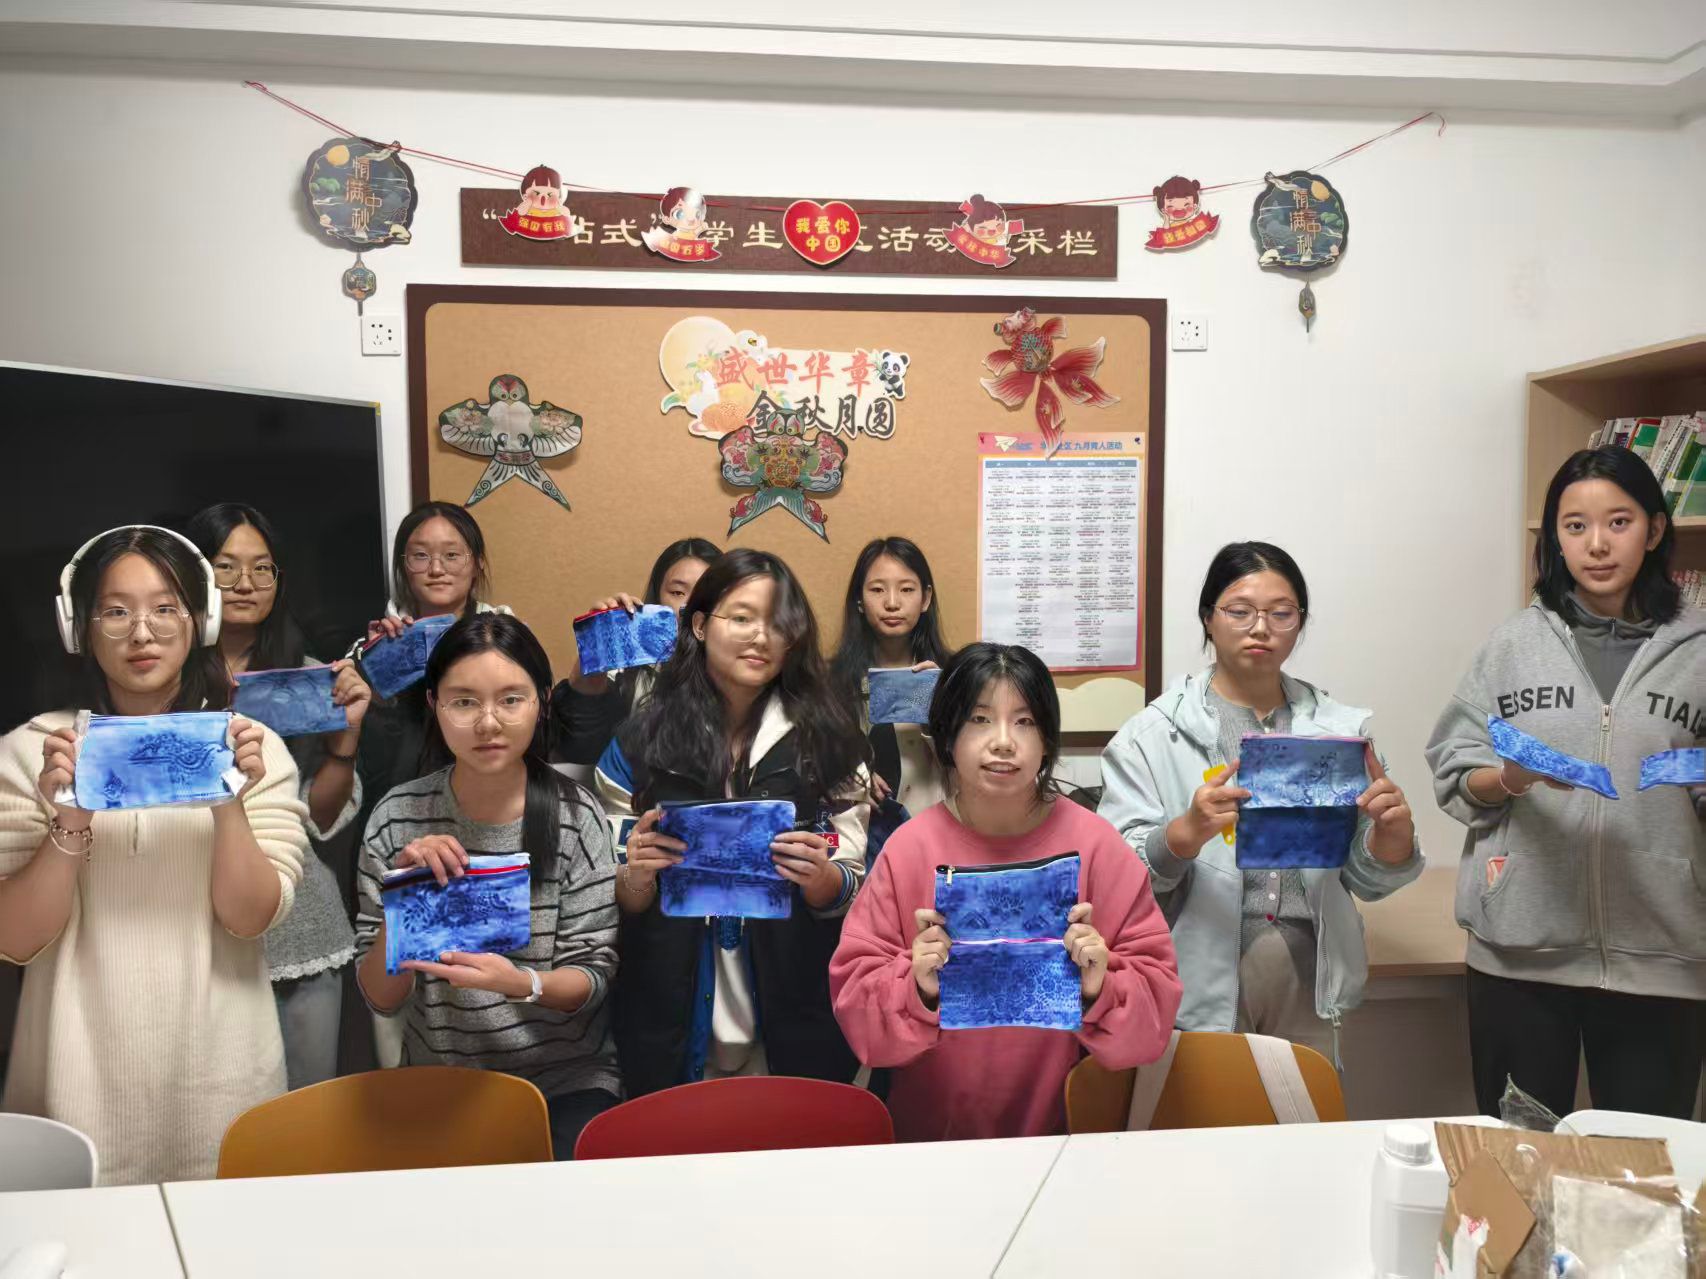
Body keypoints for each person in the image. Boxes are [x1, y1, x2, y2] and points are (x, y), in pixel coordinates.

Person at [0, 526, 306, 1183]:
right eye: (116, 611)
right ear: (78, 627)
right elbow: (15, 939)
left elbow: (250, 917)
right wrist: (70, 815)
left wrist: (226, 797)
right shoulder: (30, 752)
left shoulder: (254, 749)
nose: (142, 632)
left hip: (223, 1080)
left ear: (201, 620)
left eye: (166, 608)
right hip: (71, 1087)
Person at [1426, 447, 1705, 1120]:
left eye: (1618, 522)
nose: (1597, 544)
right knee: (1515, 1158)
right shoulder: (1513, 645)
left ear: (1655, 529)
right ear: (1555, 537)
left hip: (1663, 955)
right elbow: (1453, 765)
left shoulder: (1699, 648)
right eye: (1575, 526)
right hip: (1518, 957)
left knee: (1642, 1166)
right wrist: (1508, 777)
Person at [830, 642, 1181, 1141]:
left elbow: (1153, 1018)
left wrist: (1099, 985)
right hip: (933, 1141)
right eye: (979, 719)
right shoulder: (909, 849)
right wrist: (919, 984)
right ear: (947, 736)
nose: (1003, 742)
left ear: (1047, 740)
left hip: (1071, 1139)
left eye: (1024, 721)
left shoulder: (1097, 846)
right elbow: (857, 1010)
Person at [1098, 542, 1423, 1065]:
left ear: (1300, 623)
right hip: (1196, 973)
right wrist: (1183, 835)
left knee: (1304, 1110)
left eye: (1281, 613)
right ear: (1208, 618)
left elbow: (1367, 880)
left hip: (1311, 976)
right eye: (1240, 611)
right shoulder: (1152, 736)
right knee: (1205, 1111)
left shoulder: (1339, 733)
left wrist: (1391, 839)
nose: (1261, 628)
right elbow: (1115, 880)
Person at [596, 549, 872, 1096]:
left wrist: (821, 879)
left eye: (779, 623)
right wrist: (637, 875)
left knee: (790, 1132)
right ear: (699, 625)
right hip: (670, 995)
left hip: (792, 992)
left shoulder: (830, 741)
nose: (761, 637)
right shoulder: (641, 740)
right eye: (742, 617)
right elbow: (614, 886)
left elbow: (852, 877)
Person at [353, 614, 619, 1157]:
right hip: (440, 1081)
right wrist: (406, 901)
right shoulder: (397, 818)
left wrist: (521, 983)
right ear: (434, 705)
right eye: (464, 702)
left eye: (511, 699)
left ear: (542, 702)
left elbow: (594, 977)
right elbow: (380, 998)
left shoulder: (576, 816)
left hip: (564, 1081)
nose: (488, 723)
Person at [186, 502, 371, 1090]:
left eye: (262, 568)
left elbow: (317, 819)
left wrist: (345, 745)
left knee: (306, 1106)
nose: (245, 582)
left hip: (301, 920)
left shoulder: (312, 677)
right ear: (192, 573)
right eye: (225, 566)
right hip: (194, 921)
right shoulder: (160, 677)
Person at [548, 537, 720, 768]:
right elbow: (580, 749)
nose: (688, 606)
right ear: (657, 598)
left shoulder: (738, 673)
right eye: (678, 592)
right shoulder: (629, 670)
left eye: (705, 593)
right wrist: (597, 648)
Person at [828, 536, 953, 816]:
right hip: (857, 831)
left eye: (907, 589)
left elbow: (968, 767)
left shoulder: (954, 675)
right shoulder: (830, 682)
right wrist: (850, 774)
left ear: (926, 598)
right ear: (859, 600)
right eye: (877, 590)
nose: (892, 603)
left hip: (933, 826)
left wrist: (940, 703)